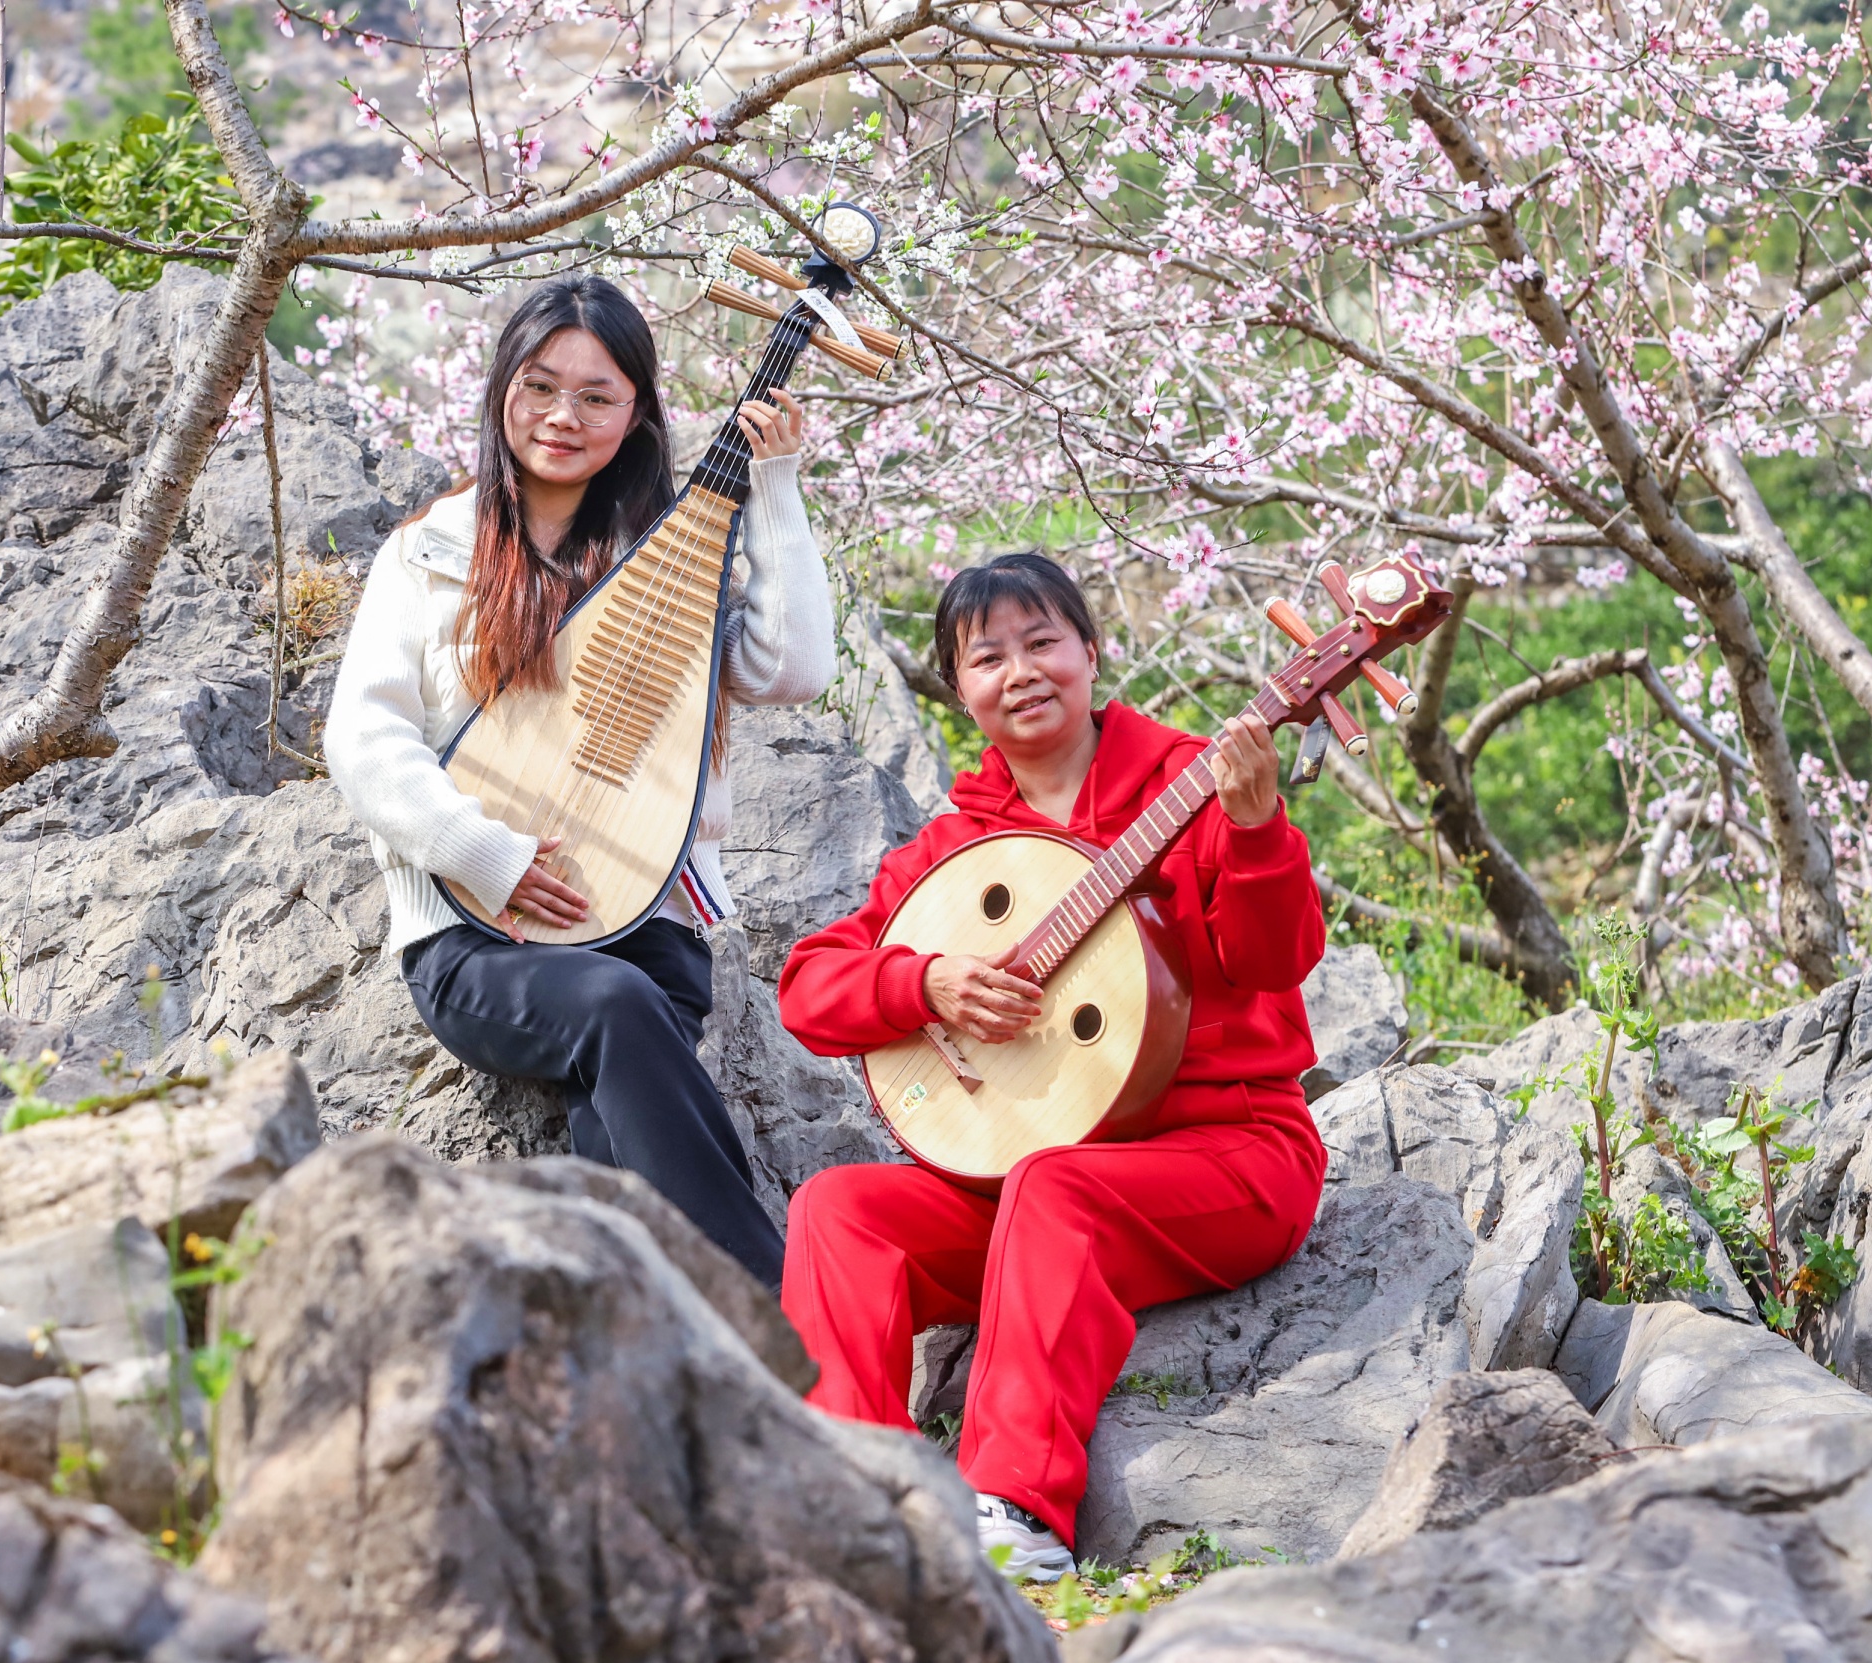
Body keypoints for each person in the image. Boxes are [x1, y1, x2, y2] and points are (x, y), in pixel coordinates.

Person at [774, 552, 1327, 1580]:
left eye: (1043, 642)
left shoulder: (1189, 782)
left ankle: (1015, 1516)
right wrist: (926, 984)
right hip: (1032, 1185)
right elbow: (810, 985)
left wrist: (1255, 829)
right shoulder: (954, 848)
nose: (1021, 671)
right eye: (988, 656)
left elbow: (1275, 959)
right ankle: (847, 1504)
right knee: (838, 1210)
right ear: (956, 686)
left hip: (1229, 1156)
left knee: (1052, 1184)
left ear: (1090, 651)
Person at [325, 274, 832, 1287]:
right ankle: (781, 1315)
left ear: (636, 412)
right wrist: (486, 855)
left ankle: (670, 1379)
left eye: (597, 396)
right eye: (541, 386)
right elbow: (363, 736)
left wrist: (773, 487)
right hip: (476, 936)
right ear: (501, 391)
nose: (564, 415)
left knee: (620, 1189)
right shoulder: (428, 553)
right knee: (611, 1002)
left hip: (651, 921)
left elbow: (795, 668)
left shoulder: (668, 561)